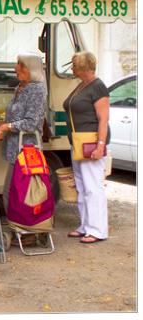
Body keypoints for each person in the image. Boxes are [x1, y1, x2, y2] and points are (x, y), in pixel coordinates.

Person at [0, 52, 48, 214]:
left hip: (27, 151)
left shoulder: (36, 90)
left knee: (17, 194)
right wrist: (4, 123)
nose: (16, 67)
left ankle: (22, 230)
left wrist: (6, 126)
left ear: (31, 69)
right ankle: (19, 230)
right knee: (14, 193)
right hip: (16, 149)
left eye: (20, 64)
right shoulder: (20, 88)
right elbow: (18, 116)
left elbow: (31, 123)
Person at [63, 51, 110, 244]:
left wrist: (100, 145)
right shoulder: (82, 86)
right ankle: (85, 226)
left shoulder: (98, 87)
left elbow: (103, 119)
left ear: (83, 68)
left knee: (93, 187)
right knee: (82, 187)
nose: (72, 69)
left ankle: (98, 230)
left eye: (74, 66)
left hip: (90, 142)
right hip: (78, 142)